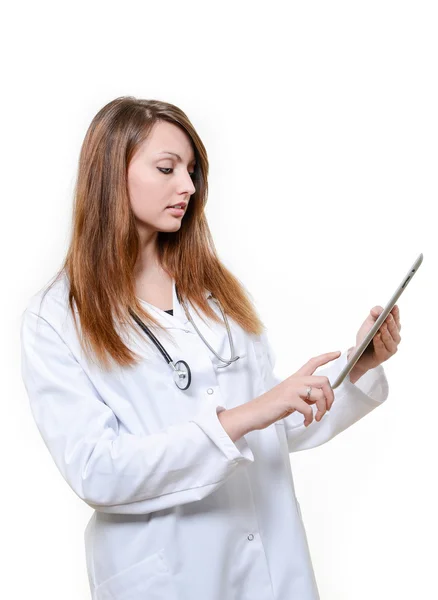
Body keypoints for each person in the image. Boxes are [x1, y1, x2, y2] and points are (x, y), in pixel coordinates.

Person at [20, 96, 401, 600]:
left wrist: (357, 368)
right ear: (112, 173)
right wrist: (242, 417)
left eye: (192, 170)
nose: (189, 187)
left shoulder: (213, 290)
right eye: (167, 168)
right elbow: (98, 470)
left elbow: (269, 426)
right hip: (167, 577)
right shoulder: (57, 318)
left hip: (271, 568)